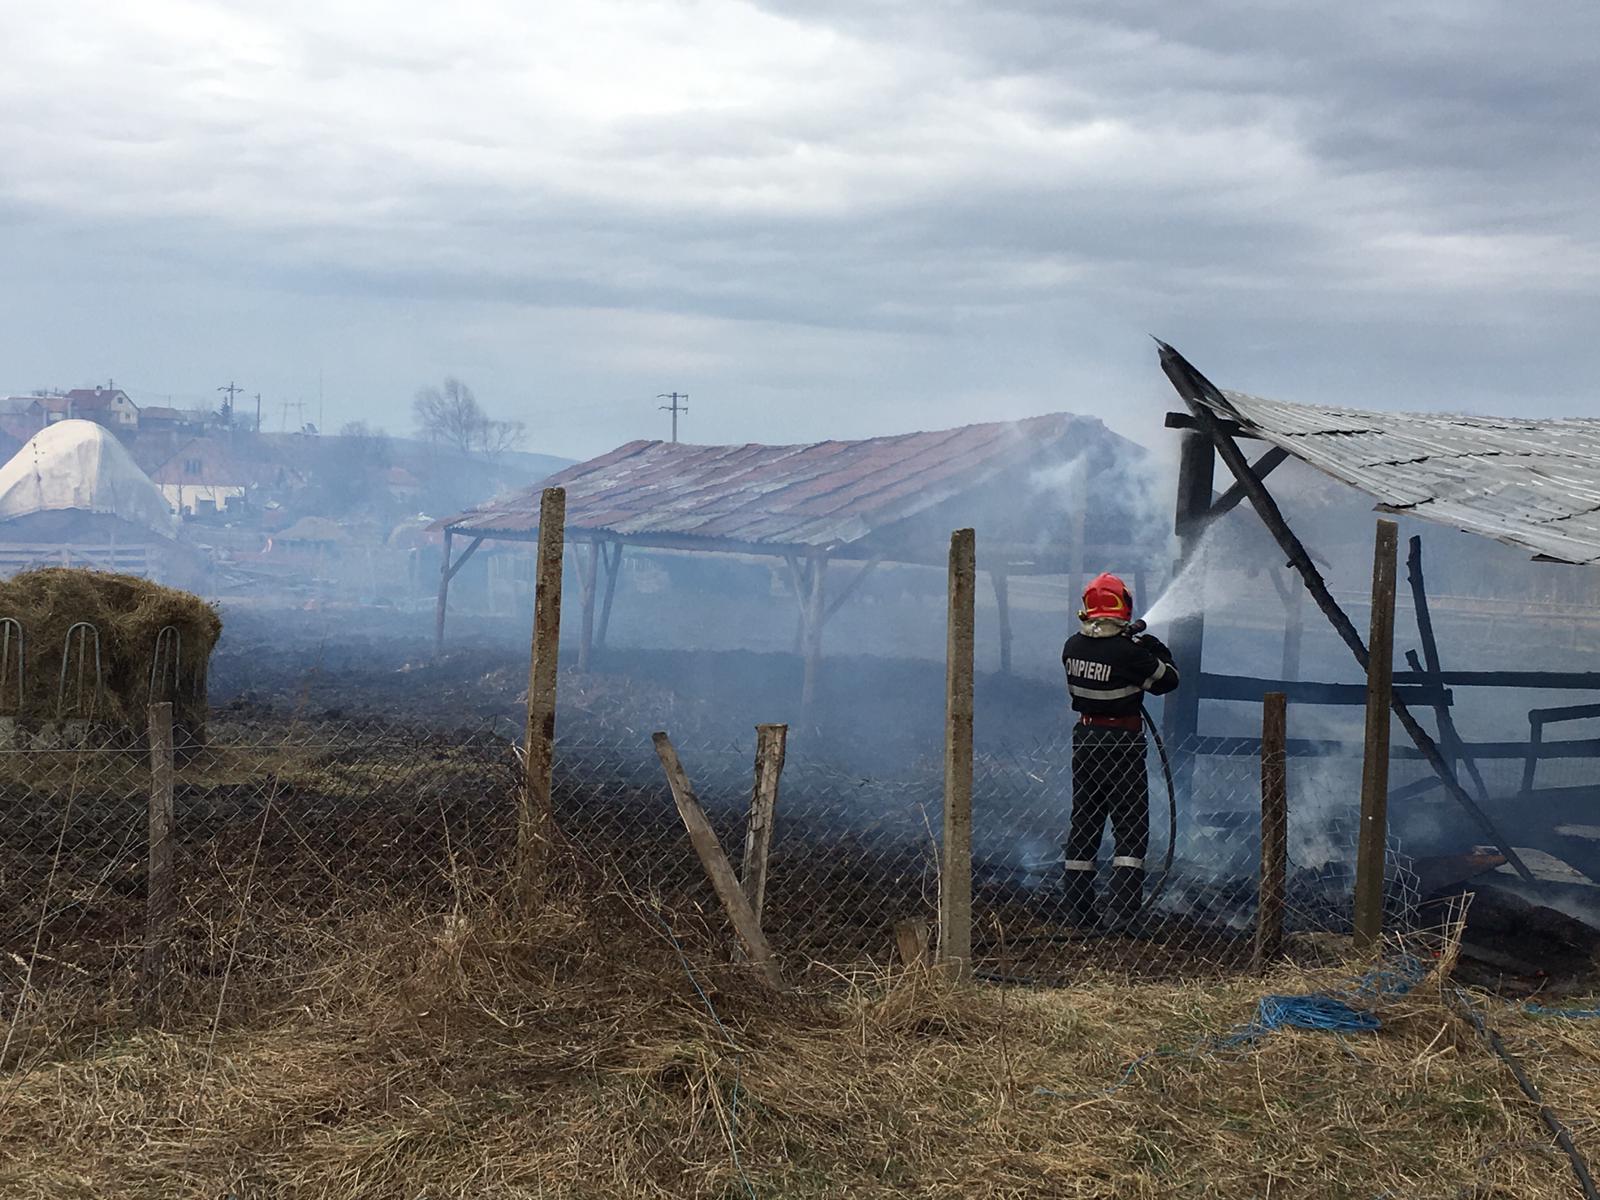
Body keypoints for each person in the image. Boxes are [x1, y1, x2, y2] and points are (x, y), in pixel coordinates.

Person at [1060, 572, 1180, 929]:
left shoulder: (1072, 647)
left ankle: (1078, 912)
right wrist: (1154, 647)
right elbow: (1168, 681)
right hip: (1122, 743)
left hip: (1085, 740)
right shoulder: (1129, 653)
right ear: (1122, 607)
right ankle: (1124, 915)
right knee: (1130, 827)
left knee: (1084, 822)